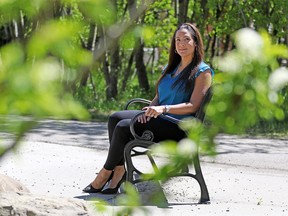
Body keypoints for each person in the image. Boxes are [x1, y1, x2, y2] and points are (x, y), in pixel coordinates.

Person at [83, 23, 214, 194]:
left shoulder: (202, 71)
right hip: (161, 118)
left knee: (123, 127)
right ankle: (120, 170)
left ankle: (105, 173)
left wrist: (163, 109)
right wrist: (151, 109)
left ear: (196, 43)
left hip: (179, 127)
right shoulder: (172, 68)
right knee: (115, 118)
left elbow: (194, 106)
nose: (181, 44)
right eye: (178, 40)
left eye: (186, 40)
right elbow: (159, 97)